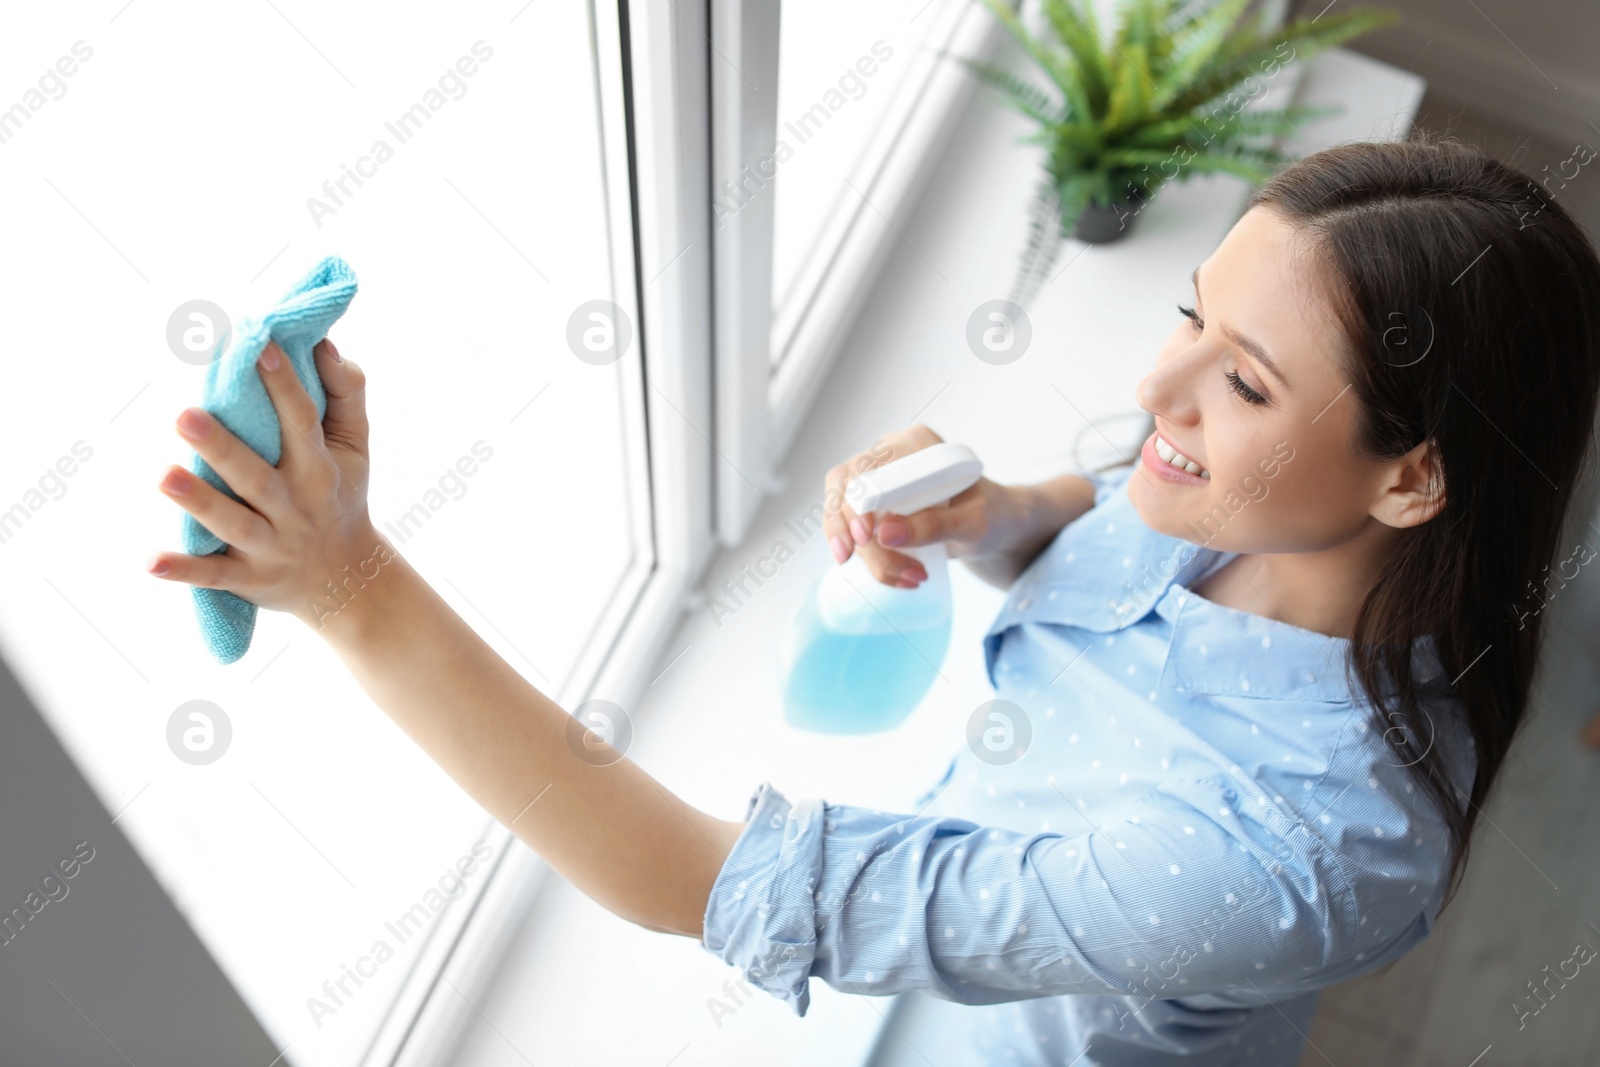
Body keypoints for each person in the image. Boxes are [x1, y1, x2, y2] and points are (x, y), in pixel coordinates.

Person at [148, 131, 1600, 1065]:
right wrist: (996, 514)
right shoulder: (1261, 497)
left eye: (1244, 379)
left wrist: (347, 586)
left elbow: (689, 883)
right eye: (1189, 317)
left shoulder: (1277, 863)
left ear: (1411, 480)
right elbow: (1092, 518)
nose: (1156, 390)